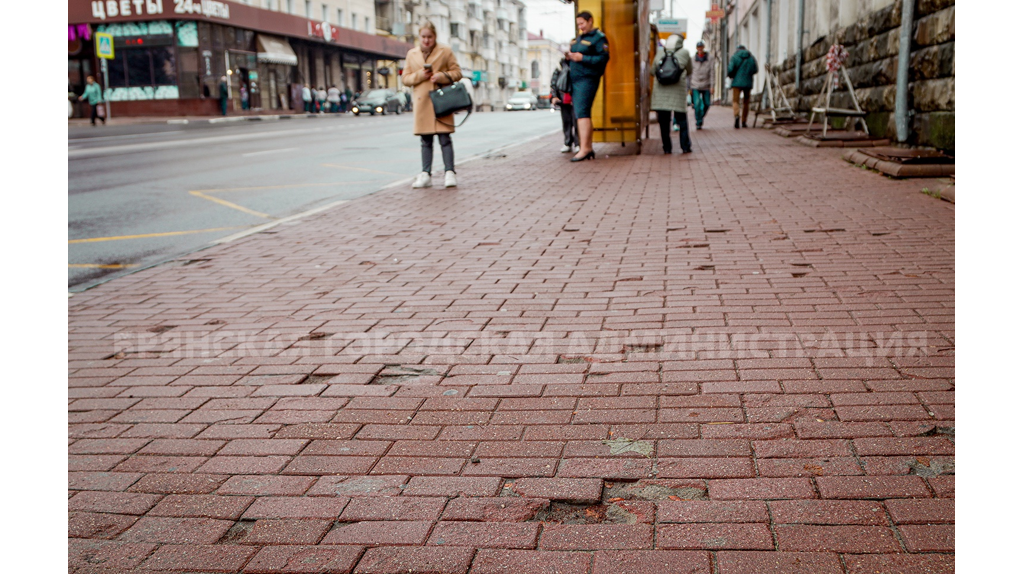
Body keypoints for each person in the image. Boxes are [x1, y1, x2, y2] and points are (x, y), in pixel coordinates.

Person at [402, 20, 463, 189]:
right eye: (423, 37)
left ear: (435, 36)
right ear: (419, 37)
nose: (426, 40)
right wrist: (421, 75)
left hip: (441, 101)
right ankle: (425, 174)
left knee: (445, 138)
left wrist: (441, 77)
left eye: (430, 37)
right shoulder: (412, 54)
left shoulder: (445, 51)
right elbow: (405, 79)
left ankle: (449, 173)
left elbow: (457, 72)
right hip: (422, 103)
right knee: (425, 140)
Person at [566, 11, 609, 162]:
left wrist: (582, 57)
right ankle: (587, 147)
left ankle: (584, 149)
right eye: (578, 24)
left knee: (582, 113)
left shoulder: (599, 38)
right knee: (581, 113)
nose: (580, 27)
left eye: (582, 23)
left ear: (590, 21)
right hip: (576, 80)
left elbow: (603, 58)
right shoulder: (580, 38)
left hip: (587, 79)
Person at [651, 34, 692, 154]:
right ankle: (685, 146)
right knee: (682, 121)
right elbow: (689, 70)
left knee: (664, 122)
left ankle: (667, 148)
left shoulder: (660, 53)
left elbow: (652, 71)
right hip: (677, 94)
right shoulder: (684, 52)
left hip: (661, 95)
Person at [550, 58, 578, 153]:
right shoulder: (560, 67)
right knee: (567, 121)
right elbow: (554, 83)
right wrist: (554, 96)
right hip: (564, 98)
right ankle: (568, 142)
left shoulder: (577, 64)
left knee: (577, 121)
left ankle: (578, 143)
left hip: (576, 97)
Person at [727, 44, 758, 128]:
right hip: (748, 83)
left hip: (737, 83)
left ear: (737, 50)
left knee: (735, 101)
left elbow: (730, 70)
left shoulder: (734, 57)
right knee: (746, 102)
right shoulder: (751, 57)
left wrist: (731, 75)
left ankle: (737, 116)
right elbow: (755, 69)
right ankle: (744, 121)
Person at [690, 41, 713, 130]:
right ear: (697, 49)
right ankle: (699, 121)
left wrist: (712, 86)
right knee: (697, 103)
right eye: (698, 48)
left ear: (703, 48)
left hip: (706, 85)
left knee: (707, 103)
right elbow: (690, 73)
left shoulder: (710, 58)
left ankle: (700, 116)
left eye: (701, 47)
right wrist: (689, 87)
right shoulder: (692, 59)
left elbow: (712, 73)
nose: (700, 49)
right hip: (695, 84)